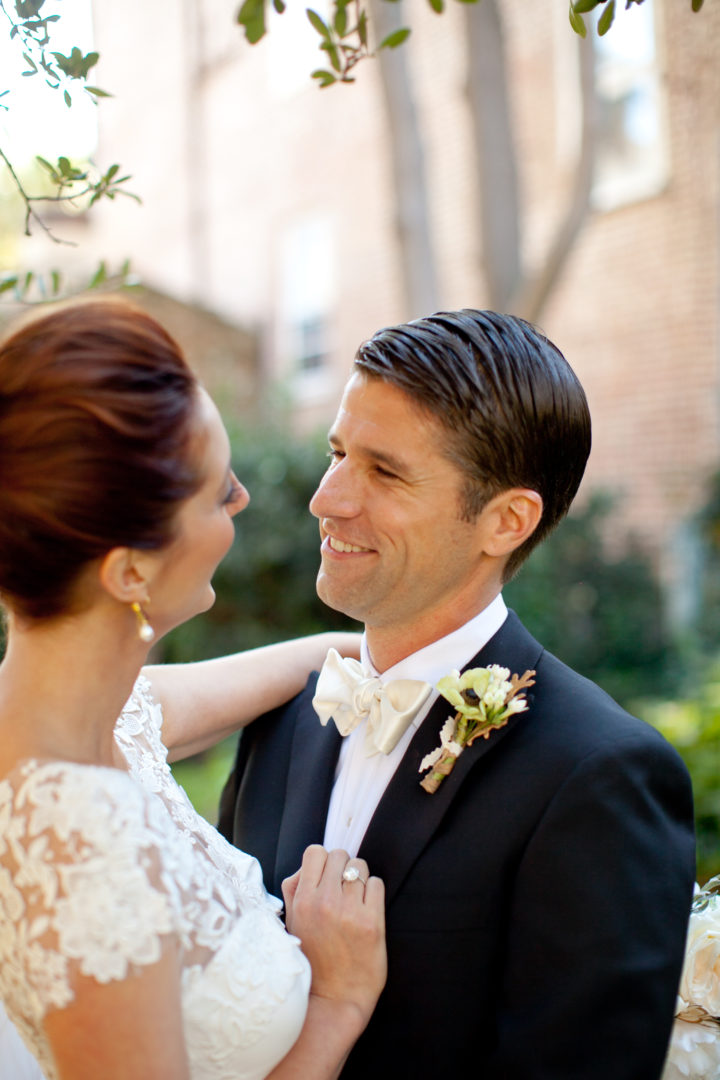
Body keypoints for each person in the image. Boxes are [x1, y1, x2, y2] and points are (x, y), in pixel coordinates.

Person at [219, 308, 697, 1080]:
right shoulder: (282, 717)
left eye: (385, 472)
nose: (328, 498)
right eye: (337, 453)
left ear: (506, 521)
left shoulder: (601, 776)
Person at [0, 296, 387, 1080]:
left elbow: (282, 665)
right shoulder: (83, 847)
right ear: (129, 570)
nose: (243, 500)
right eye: (218, 492)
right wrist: (339, 1004)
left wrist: (410, 647)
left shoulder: (86, 720)